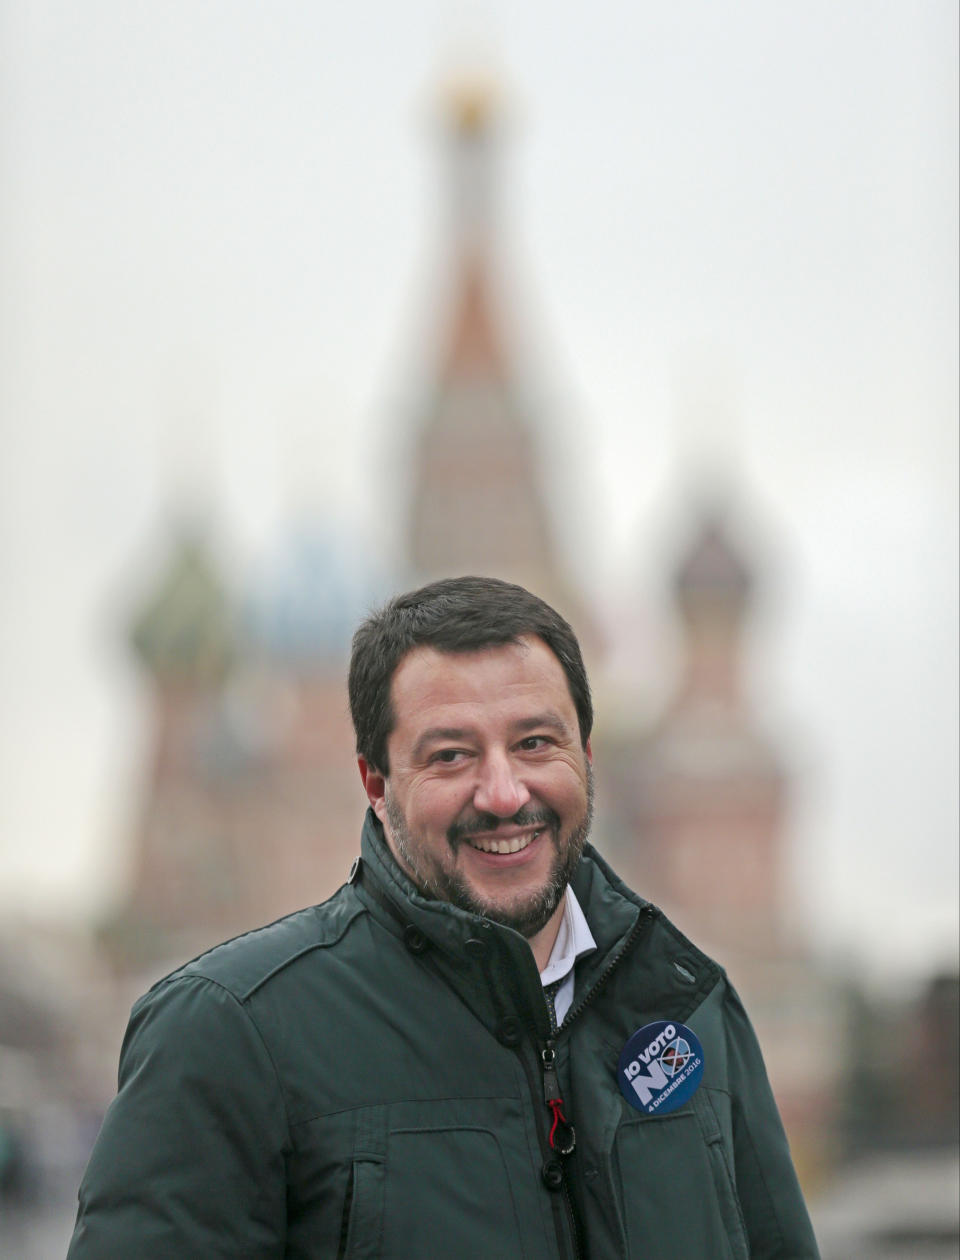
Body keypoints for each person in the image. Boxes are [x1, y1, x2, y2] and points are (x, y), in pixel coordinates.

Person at [68, 575, 820, 1258]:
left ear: (587, 756)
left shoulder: (688, 1009)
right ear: (375, 781)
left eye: (534, 743)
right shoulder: (230, 1030)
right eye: (451, 756)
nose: (502, 793)